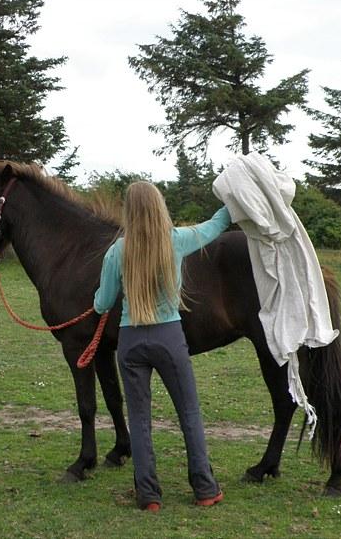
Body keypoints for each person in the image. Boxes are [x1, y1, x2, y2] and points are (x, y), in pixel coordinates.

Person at [93, 181, 231, 512]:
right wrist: (235, 197)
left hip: (131, 342)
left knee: (139, 420)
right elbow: (217, 224)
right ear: (159, 206)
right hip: (169, 338)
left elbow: (102, 303)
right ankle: (205, 489)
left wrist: (100, 299)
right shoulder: (177, 240)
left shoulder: (117, 251)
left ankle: (149, 496)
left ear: (129, 211)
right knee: (189, 413)